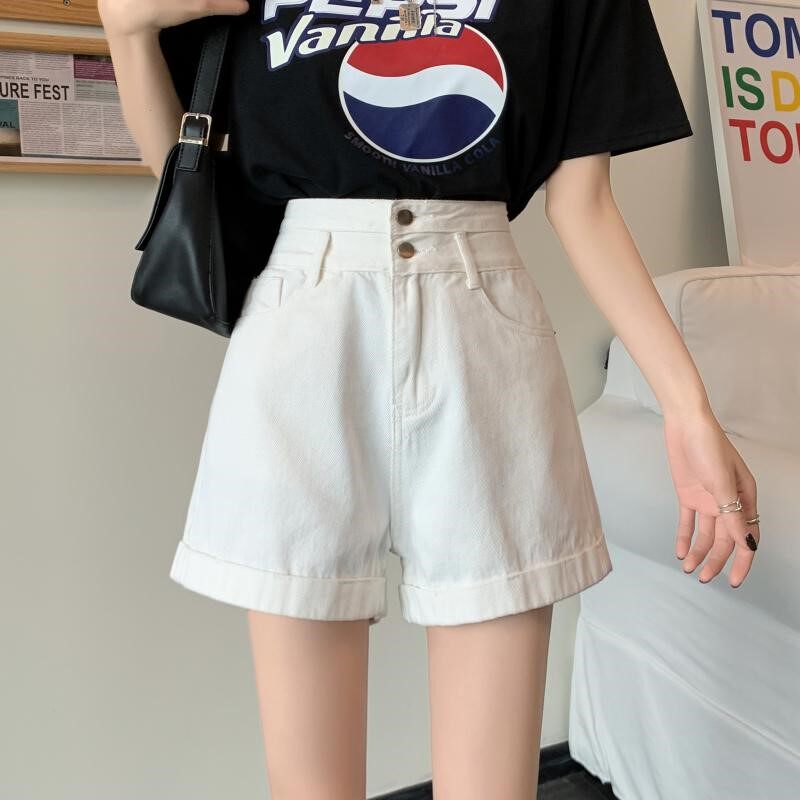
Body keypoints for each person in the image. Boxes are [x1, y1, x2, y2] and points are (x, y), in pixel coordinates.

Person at [99, 1, 761, 797]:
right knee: (310, 787)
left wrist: (687, 409)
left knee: (493, 785)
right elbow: (183, 169)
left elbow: (582, 202)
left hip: (483, 331)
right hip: (303, 334)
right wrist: (125, 30)